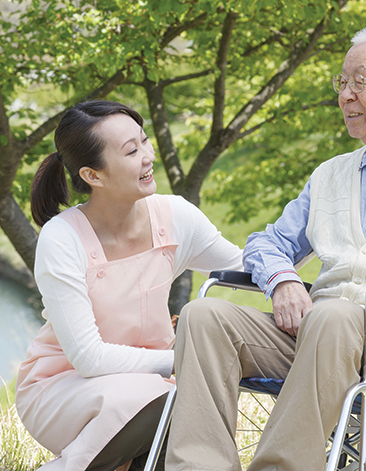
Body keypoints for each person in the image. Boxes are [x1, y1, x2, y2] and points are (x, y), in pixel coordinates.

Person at [166, 26, 366, 471]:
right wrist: (282, 281)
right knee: (204, 316)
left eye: (360, 82)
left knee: (333, 314)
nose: (345, 95)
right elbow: (267, 242)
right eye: (342, 82)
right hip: (314, 333)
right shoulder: (328, 175)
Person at [15, 100, 242, 471]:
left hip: (154, 384)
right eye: (132, 151)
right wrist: (183, 360)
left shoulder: (176, 216)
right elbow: (88, 358)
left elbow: (243, 267)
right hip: (63, 386)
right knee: (172, 399)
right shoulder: (62, 237)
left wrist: (306, 248)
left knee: (183, 414)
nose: (148, 156)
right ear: (93, 175)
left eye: (145, 141)